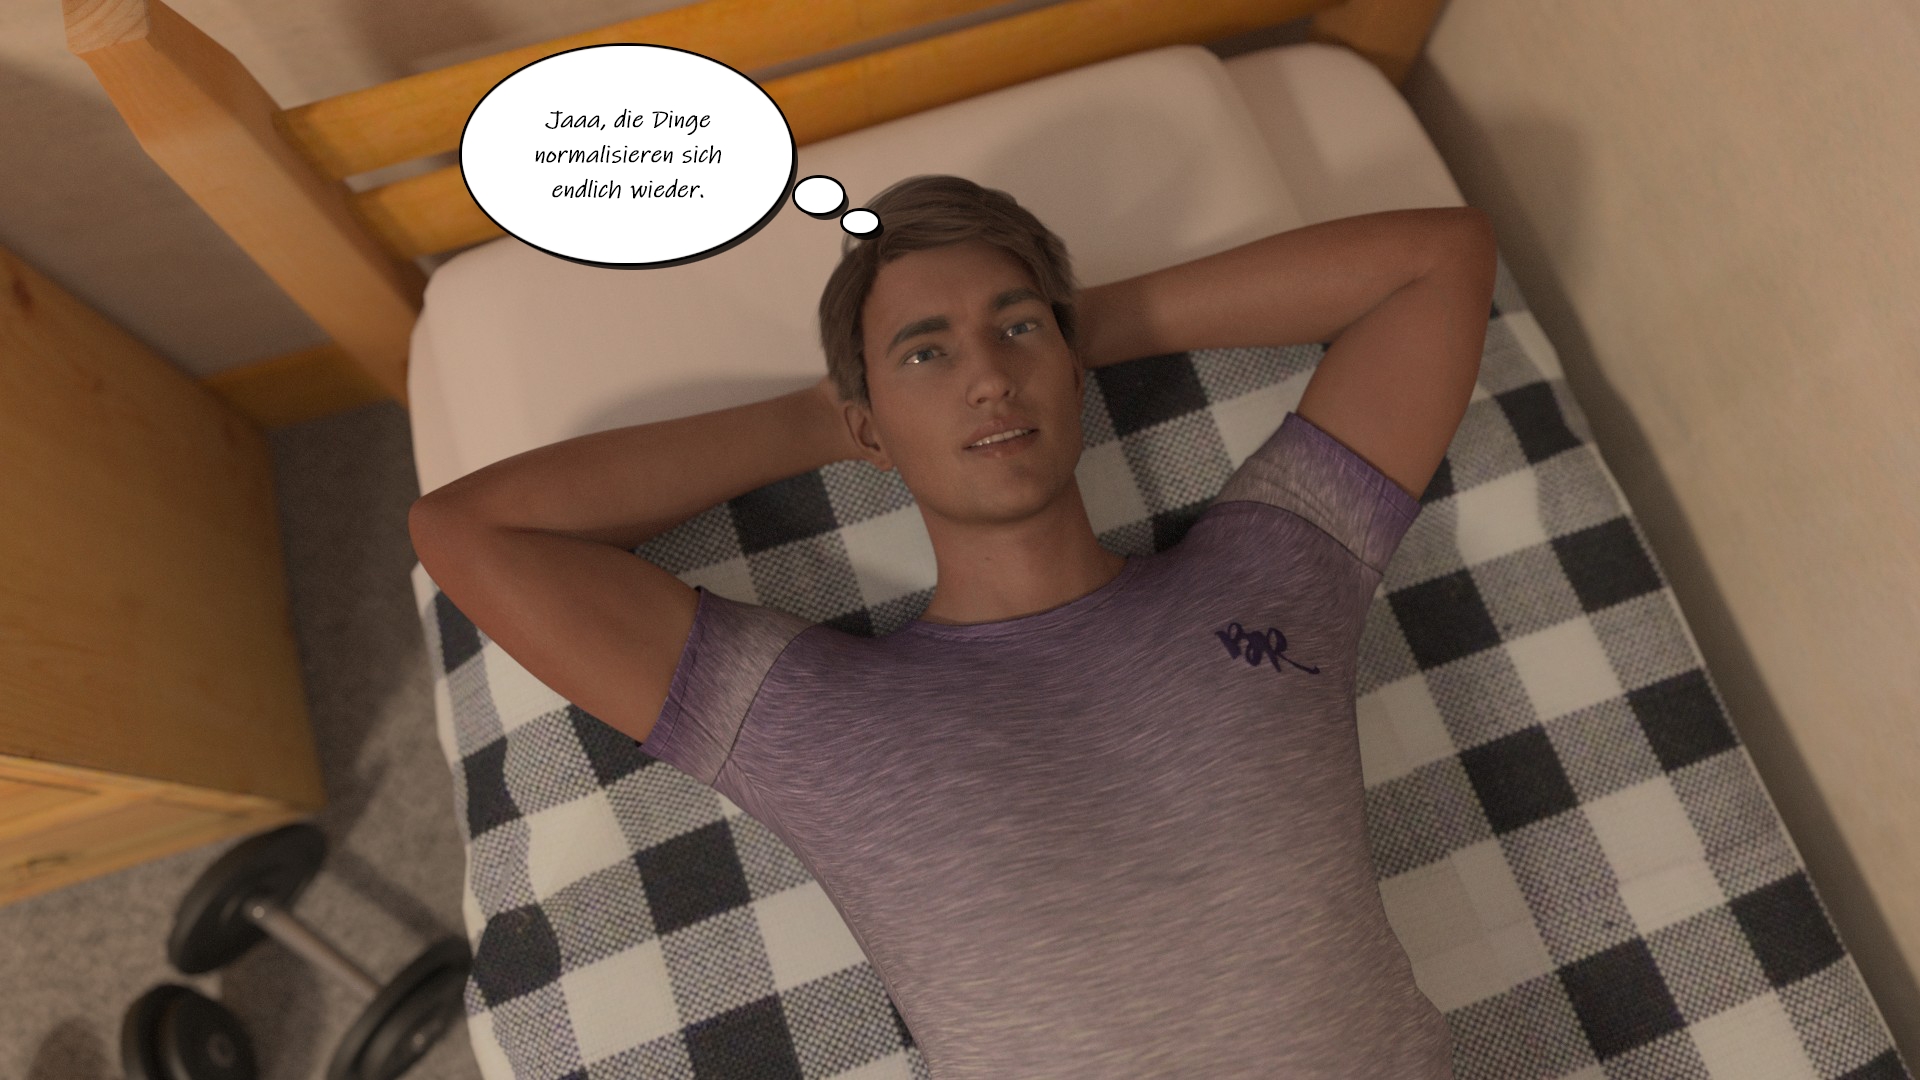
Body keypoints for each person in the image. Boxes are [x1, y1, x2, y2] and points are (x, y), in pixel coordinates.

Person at [410, 174, 1497, 1078]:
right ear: (867, 422)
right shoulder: (809, 719)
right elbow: (468, 531)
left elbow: (1438, 261)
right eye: (927, 352)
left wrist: (1063, 334)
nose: (988, 376)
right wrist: (836, 416)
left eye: (1015, 330)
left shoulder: (1275, 571)